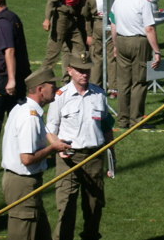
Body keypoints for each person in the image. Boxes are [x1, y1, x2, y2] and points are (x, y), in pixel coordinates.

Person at [46, 53, 115, 240]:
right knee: (66, 204)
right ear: (69, 70)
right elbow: (50, 129)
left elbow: (107, 127)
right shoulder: (60, 96)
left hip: (94, 156)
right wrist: (57, 147)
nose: (84, 74)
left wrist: (111, 158)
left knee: (94, 205)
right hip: (68, 158)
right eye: (80, 70)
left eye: (87, 70)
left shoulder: (99, 94)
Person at [1, 68, 71, 240]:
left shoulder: (22, 108)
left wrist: (54, 142)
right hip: (23, 184)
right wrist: (53, 149)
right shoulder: (30, 117)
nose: (56, 88)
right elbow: (27, 158)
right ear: (40, 89)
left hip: (23, 183)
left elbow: (44, 133)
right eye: (52, 85)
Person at [110, 0, 161, 129]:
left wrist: (115, 45)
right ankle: (136, 119)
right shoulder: (143, 2)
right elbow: (149, 28)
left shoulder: (118, 0)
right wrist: (157, 51)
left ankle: (123, 119)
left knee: (124, 82)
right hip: (138, 42)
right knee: (139, 81)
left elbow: (113, 24)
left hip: (121, 39)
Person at [0, 0, 31, 171]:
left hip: (3, 80)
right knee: (18, 119)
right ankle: (22, 156)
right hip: (19, 76)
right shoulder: (13, 17)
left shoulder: (2, 22)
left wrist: (10, 79)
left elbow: (8, 50)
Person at [41, 0, 89, 82]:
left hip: (72, 20)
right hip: (60, 19)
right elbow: (52, 1)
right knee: (53, 53)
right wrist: (47, 19)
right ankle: (42, 79)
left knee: (80, 49)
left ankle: (71, 79)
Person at [82, 0, 113, 87]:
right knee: (111, 57)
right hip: (112, 24)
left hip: (98, 25)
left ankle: (95, 84)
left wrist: (89, 34)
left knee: (96, 56)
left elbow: (86, 14)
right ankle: (114, 87)